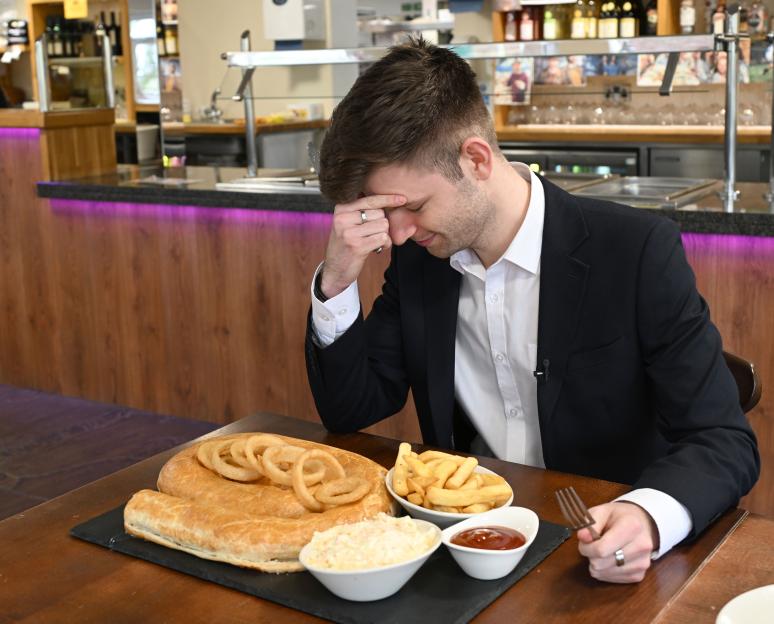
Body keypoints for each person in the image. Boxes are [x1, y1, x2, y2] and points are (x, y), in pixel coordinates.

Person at [305, 37, 759, 584]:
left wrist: (648, 515)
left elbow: (722, 439)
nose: (397, 235)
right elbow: (352, 408)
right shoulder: (422, 262)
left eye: (414, 208)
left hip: (598, 552)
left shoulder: (633, 251)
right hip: (470, 554)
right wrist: (337, 279)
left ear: (475, 159)